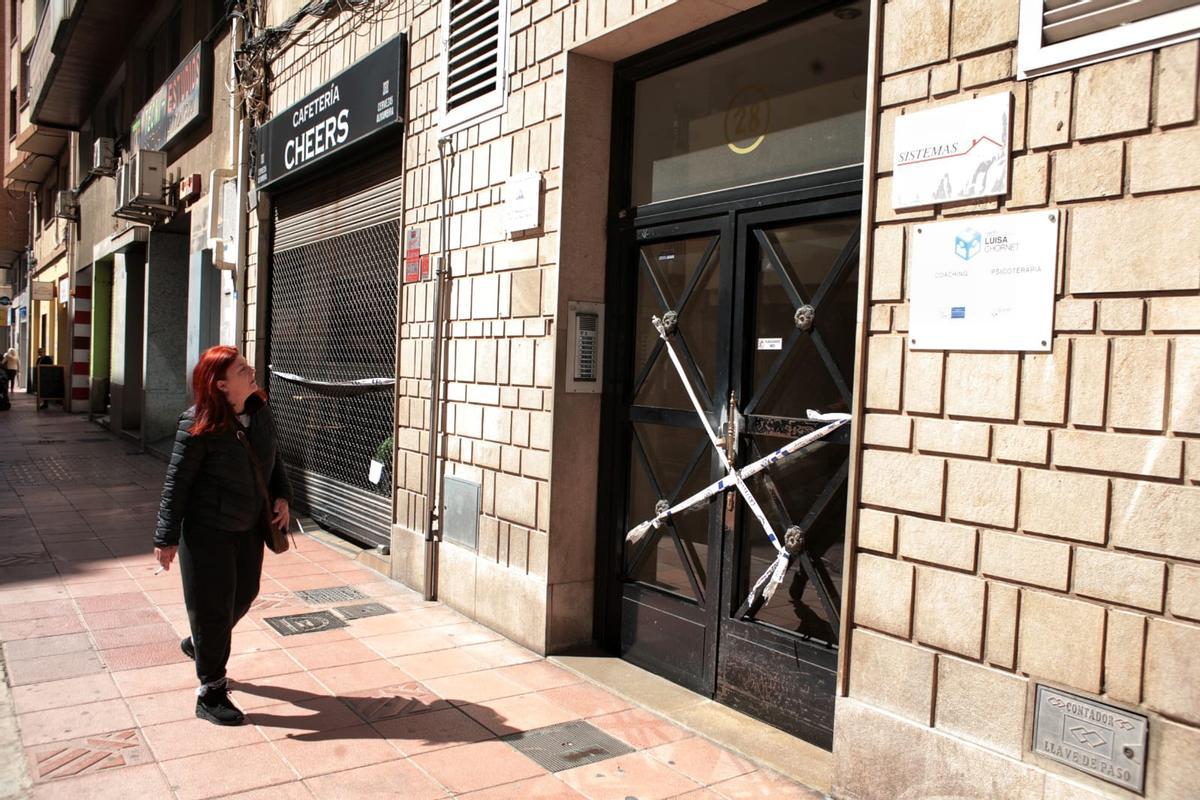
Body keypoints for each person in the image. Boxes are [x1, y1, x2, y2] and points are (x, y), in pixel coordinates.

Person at [153, 345, 291, 726]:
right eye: (242, 369)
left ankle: (200, 642)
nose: (252, 372)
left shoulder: (261, 412)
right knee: (213, 609)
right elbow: (175, 485)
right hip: (206, 533)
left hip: (248, 526)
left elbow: (273, 460)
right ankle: (210, 691)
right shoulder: (196, 424)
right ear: (221, 384)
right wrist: (165, 538)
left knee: (245, 594)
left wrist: (282, 495)